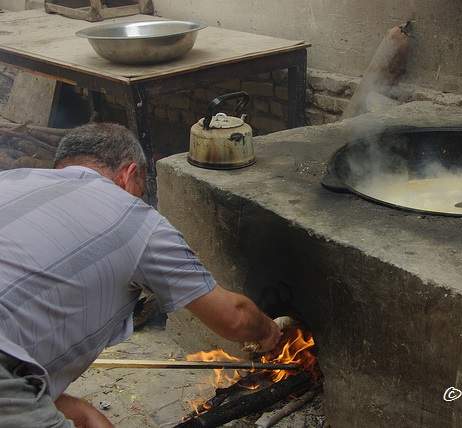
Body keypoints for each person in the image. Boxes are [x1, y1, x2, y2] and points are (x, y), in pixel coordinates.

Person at [0, 123, 281, 427]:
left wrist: (82, 412)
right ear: (129, 173)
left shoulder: (11, 179)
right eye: (141, 190)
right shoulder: (136, 220)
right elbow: (235, 318)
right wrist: (268, 331)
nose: (140, 198)